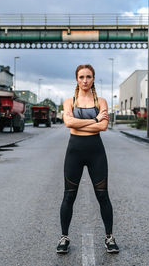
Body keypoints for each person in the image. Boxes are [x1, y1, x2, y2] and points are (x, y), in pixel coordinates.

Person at [56, 64, 119, 254]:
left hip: (96, 153)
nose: (85, 80)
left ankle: (109, 238)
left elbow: (104, 127)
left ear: (93, 79)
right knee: (69, 196)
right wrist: (95, 120)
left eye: (89, 77)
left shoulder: (101, 101)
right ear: (76, 79)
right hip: (74, 152)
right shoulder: (70, 102)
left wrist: (82, 124)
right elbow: (69, 123)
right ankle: (64, 238)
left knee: (103, 196)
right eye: (81, 77)